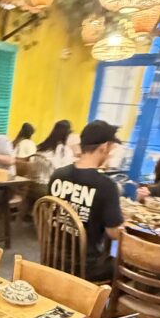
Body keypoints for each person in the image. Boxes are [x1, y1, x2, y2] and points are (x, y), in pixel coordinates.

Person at [49, 120, 124, 282]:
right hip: (85, 266)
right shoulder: (107, 186)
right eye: (110, 149)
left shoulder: (58, 175)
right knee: (124, 266)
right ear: (104, 147)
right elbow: (114, 233)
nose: (110, 153)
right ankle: (99, 304)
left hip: (53, 257)